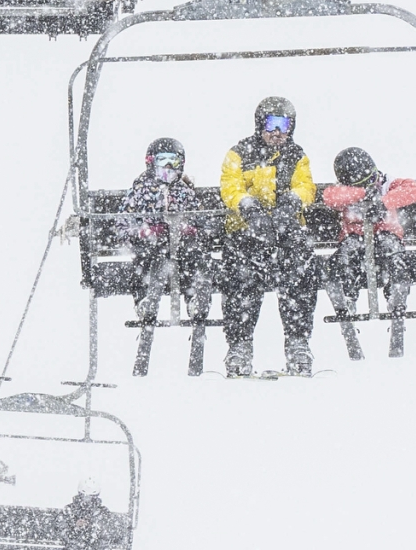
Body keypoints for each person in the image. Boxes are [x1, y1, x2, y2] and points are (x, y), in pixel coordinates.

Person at [216, 97, 323, 377]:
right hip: (247, 233)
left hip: (285, 233)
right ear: (259, 124)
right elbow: (230, 186)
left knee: (300, 269)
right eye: (271, 124)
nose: (277, 132)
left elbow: (306, 186)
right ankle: (239, 345)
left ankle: (298, 342)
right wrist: (247, 207)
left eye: (284, 125)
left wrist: (292, 203)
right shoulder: (239, 154)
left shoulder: (296, 156)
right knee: (240, 275)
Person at [117, 137, 217, 375]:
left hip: (181, 252)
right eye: (163, 161)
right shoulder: (140, 190)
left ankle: (196, 300)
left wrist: (191, 229)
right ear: (151, 163)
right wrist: (142, 231)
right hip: (152, 249)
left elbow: (202, 222)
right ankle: (144, 300)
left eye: (174, 162)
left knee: (197, 258)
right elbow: (123, 223)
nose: (168, 168)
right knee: (145, 259)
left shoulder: (184, 192)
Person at [320, 146, 416, 359]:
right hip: (355, 238)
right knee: (344, 257)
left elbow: (413, 189)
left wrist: (383, 202)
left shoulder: (387, 183)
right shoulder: (343, 191)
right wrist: (360, 194)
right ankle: (346, 297)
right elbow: (330, 197)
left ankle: (396, 295)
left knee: (395, 254)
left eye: (372, 179)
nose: (371, 184)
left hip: (385, 235)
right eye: (361, 183)